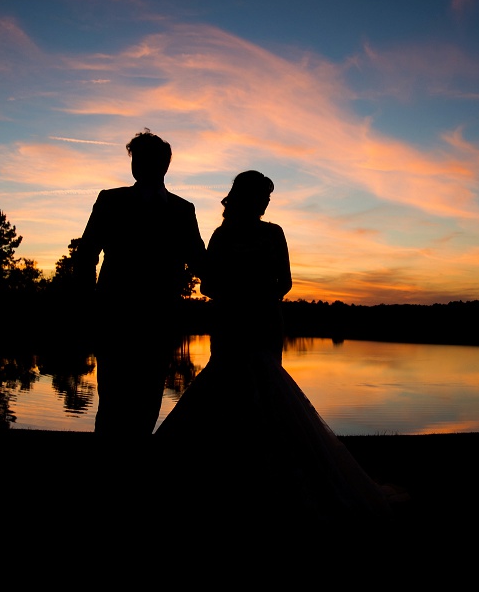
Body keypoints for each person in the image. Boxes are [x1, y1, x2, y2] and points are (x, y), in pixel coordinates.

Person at [155, 171, 391, 522]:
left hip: (263, 323)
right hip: (230, 323)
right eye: (261, 197)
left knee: (268, 392)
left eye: (268, 198)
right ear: (246, 197)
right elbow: (208, 285)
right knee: (226, 390)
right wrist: (237, 293)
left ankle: (274, 475)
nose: (265, 204)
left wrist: (256, 295)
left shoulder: (273, 233)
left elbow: (286, 282)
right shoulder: (222, 236)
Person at [76, 130, 205, 438]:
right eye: (136, 158)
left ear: (165, 164)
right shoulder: (110, 200)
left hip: (160, 317)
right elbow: (86, 254)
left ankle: (136, 467)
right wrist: (87, 302)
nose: (139, 165)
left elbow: (199, 260)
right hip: (114, 314)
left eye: (147, 158)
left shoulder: (182, 210)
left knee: (148, 398)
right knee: (112, 399)